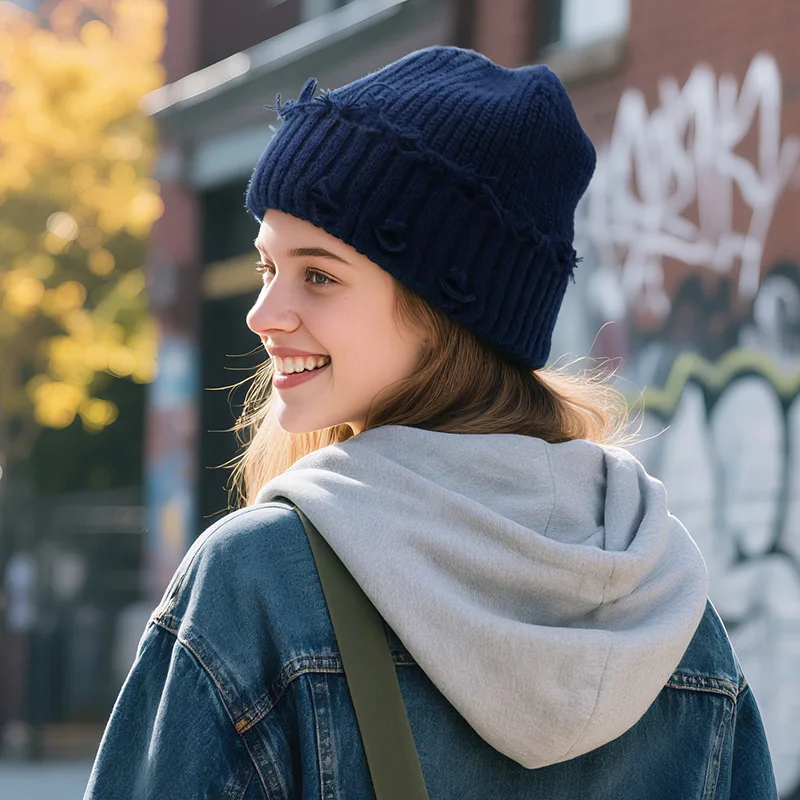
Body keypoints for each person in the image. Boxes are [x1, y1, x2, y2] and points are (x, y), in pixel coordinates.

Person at [84, 46, 778, 799]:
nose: (263, 314)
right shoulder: (670, 607)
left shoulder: (259, 584)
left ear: (448, 308)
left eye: (318, 275)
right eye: (266, 267)